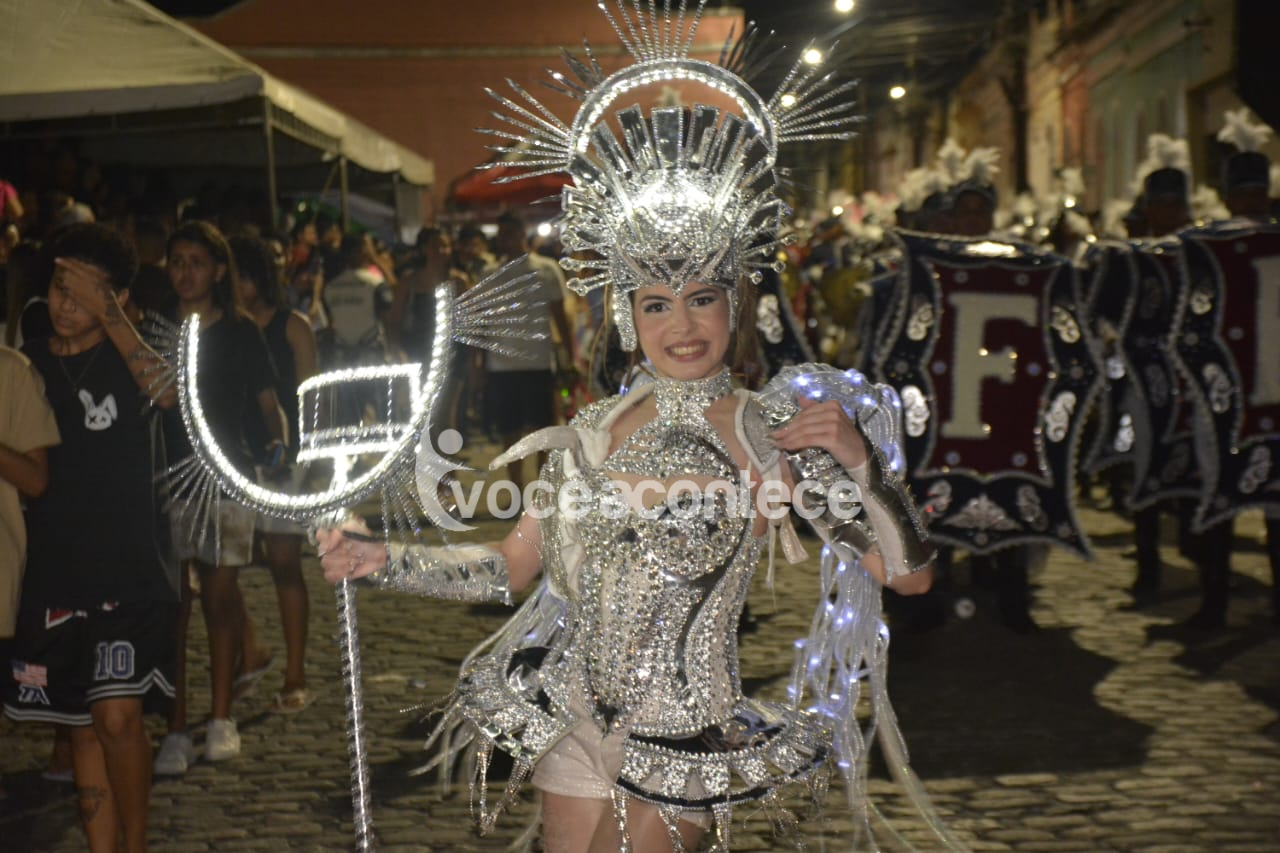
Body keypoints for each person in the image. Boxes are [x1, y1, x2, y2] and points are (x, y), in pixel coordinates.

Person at [312, 6, 951, 849]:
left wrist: (861, 462)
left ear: (733, 303)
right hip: (574, 724)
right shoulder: (588, 433)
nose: (682, 325)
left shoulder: (770, 433)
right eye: (656, 303)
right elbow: (509, 567)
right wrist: (383, 559)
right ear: (626, 316)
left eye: (701, 298)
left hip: (689, 741)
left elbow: (908, 576)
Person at [3, 223, 179, 853]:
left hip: (128, 574)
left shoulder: (133, 359)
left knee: (117, 716)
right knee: (80, 726)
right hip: (54, 572)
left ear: (118, 298)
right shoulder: (29, 362)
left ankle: (135, 846)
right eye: (59, 287)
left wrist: (113, 318)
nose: (65, 304)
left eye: (82, 293)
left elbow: (168, 394)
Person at [153, 221, 287, 774]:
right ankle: (175, 727)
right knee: (173, 609)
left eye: (197, 262)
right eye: (176, 261)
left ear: (217, 271)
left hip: (227, 474)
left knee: (219, 596)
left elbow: (268, 401)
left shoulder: (239, 331)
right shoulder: (157, 328)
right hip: (165, 476)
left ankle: (220, 717)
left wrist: (279, 445)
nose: (185, 273)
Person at [229, 235, 317, 713]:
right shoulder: (221, 328)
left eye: (241, 276)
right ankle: (251, 647)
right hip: (231, 454)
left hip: (285, 457)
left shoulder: (291, 326)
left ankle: (295, 672)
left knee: (284, 561)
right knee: (220, 568)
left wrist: (311, 460)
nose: (235, 286)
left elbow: (310, 398)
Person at [484, 212, 575, 494]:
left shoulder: (546, 269)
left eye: (511, 233)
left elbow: (560, 316)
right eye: (502, 235)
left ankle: (543, 488)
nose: (507, 240)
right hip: (501, 365)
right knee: (509, 431)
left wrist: (569, 356)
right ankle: (516, 489)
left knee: (543, 430)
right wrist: (478, 362)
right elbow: (484, 322)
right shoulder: (490, 273)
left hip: (538, 361)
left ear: (522, 234)